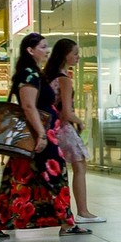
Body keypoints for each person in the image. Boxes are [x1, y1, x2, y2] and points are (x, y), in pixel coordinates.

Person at [0, 33, 89, 238]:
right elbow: (29, 106)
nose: (47, 51)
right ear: (30, 50)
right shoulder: (28, 74)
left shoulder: (34, 72)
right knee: (54, 175)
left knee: (19, 177)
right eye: (42, 47)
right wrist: (41, 135)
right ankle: (66, 223)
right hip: (37, 134)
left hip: (36, 134)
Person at [44, 39, 104, 224]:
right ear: (65, 55)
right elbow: (67, 113)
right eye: (75, 53)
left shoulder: (49, 77)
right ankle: (83, 211)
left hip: (49, 128)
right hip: (62, 128)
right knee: (79, 165)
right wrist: (80, 122)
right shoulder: (64, 79)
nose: (78, 57)